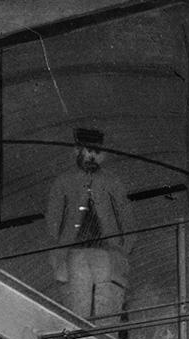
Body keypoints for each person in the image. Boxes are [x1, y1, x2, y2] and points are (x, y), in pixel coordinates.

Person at [42, 123, 132, 323]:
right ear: (77, 151)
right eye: (88, 151)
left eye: (97, 152)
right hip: (76, 254)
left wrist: (124, 250)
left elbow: (127, 219)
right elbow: (53, 222)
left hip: (106, 253)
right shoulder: (64, 182)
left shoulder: (112, 182)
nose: (92, 156)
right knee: (78, 308)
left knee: (106, 308)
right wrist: (58, 250)